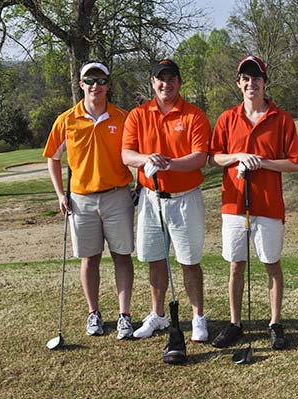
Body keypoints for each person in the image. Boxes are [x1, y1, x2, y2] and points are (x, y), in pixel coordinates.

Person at [209, 55, 298, 350]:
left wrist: (263, 163)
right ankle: (236, 323)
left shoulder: (282, 119)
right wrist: (238, 156)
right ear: (239, 83)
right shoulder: (227, 118)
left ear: (265, 82)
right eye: (246, 79)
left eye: (257, 78)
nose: (252, 84)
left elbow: (294, 163)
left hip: (268, 205)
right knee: (236, 265)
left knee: (271, 264)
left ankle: (275, 323)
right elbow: (214, 157)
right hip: (234, 205)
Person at [44, 61, 135, 340]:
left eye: (101, 80)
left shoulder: (122, 117)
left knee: (122, 256)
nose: (96, 85)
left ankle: (124, 315)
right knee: (89, 259)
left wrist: (140, 186)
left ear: (108, 84)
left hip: (117, 196)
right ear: (81, 84)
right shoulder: (67, 120)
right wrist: (61, 194)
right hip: (81, 199)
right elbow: (53, 157)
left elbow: (137, 153)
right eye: (90, 80)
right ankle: (93, 312)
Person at [121, 59, 211, 343]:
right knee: (155, 260)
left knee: (189, 261)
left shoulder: (194, 115)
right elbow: (127, 155)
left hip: (185, 199)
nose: (166, 84)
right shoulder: (137, 115)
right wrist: (148, 159)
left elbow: (199, 158)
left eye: (171, 79)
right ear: (152, 82)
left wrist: (168, 164)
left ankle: (198, 317)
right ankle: (158, 315)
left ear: (180, 83)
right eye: (160, 79)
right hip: (150, 197)